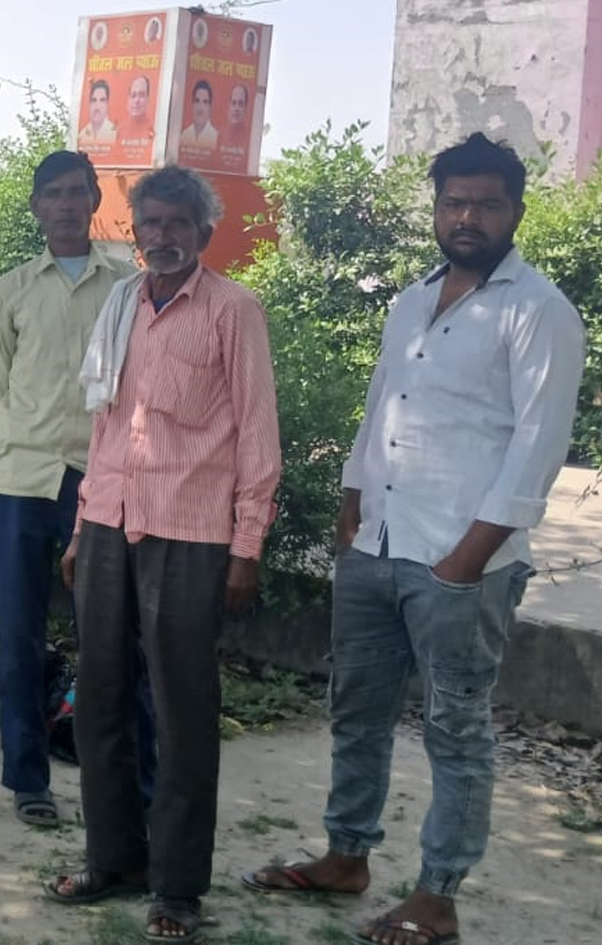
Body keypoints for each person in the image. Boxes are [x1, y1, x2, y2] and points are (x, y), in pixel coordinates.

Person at [240, 134, 584, 945]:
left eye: (486, 204)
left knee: (455, 729)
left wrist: (468, 558)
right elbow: (380, 407)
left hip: (461, 562)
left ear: (515, 211)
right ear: (436, 209)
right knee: (356, 710)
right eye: (454, 202)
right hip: (376, 544)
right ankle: (345, 856)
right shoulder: (411, 300)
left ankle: (437, 896)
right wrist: (351, 501)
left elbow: (537, 447)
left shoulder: (539, 311)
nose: (468, 217)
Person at [46, 165, 281, 943]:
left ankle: (177, 887)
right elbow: (106, 429)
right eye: (151, 222)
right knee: (98, 700)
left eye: (179, 222)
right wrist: (82, 527)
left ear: (204, 232)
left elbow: (258, 433)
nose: (164, 235)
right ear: (135, 230)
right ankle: (113, 858)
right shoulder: (123, 306)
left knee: (182, 714)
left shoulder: (233, 311)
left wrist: (247, 545)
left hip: (191, 533)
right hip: (109, 524)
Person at [0, 151, 155, 828]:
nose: (64, 205)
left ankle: (126, 787)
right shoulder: (12, 289)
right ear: (36, 207)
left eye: (76, 192)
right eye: (52, 194)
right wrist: (21, 440)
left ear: (94, 201)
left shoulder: (127, 288)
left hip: (100, 481)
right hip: (23, 482)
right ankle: (29, 781)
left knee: (112, 639)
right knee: (20, 639)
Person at [179, 81, 218, 150]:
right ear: (192, 104)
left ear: (209, 107)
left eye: (205, 102)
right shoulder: (184, 136)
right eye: (197, 101)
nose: (200, 106)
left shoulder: (216, 138)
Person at [78, 80, 117, 146]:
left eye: (102, 100)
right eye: (94, 100)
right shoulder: (82, 135)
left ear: (107, 104)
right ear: (90, 103)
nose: (97, 106)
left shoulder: (115, 134)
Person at [121, 75, 156, 141]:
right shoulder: (119, 132)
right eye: (133, 95)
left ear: (148, 99)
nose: (137, 100)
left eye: (142, 95)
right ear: (128, 99)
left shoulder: (154, 130)